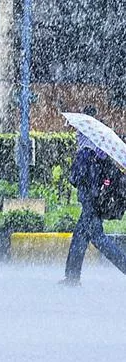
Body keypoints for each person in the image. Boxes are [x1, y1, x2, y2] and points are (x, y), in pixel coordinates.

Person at [60, 105, 126, 286]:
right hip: (94, 198)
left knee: (98, 238)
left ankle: (73, 277)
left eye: (79, 132)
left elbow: (76, 178)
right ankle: (72, 277)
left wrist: (76, 168)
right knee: (80, 236)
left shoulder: (87, 152)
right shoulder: (99, 150)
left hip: (90, 199)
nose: (76, 134)